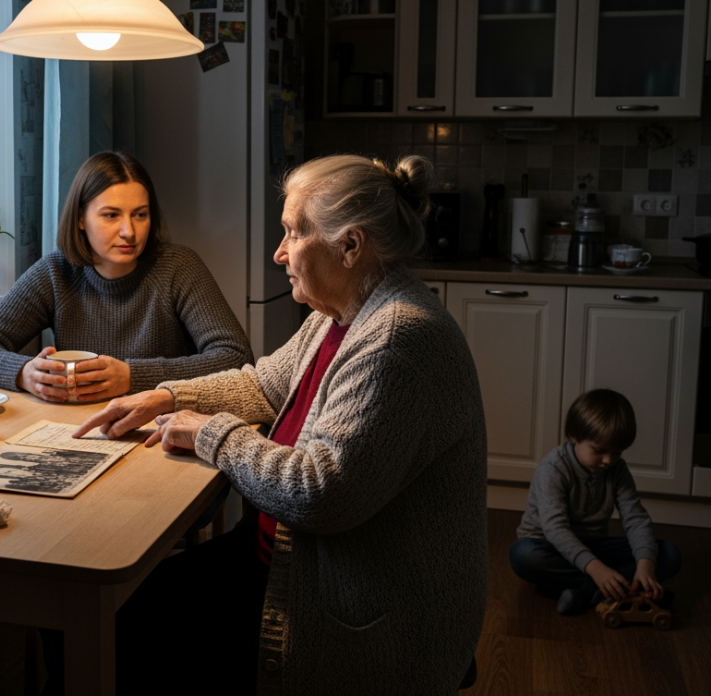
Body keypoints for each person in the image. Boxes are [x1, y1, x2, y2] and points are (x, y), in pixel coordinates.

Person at [74, 154, 488, 695]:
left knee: (116, 629)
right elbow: (262, 384)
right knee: (105, 611)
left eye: (293, 232)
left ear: (350, 246)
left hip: (349, 612)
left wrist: (211, 433)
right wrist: (166, 396)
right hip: (288, 565)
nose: (279, 252)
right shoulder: (338, 315)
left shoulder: (396, 340)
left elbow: (318, 492)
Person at [0, 151, 252, 404]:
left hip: (158, 427)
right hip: (72, 427)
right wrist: (23, 373)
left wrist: (133, 377)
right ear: (81, 219)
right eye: (111, 215)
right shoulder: (56, 272)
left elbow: (236, 357)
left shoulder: (179, 267)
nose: (129, 232)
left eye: (140, 214)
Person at [508, 389, 683, 615]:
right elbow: (555, 530)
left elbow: (636, 519)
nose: (608, 460)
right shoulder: (553, 468)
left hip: (594, 545)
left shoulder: (617, 469)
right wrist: (597, 569)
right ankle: (608, 588)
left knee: (669, 554)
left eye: (617, 453)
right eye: (599, 451)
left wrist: (645, 565)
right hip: (549, 545)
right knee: (523, 555)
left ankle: (585, 592)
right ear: (574, 435)